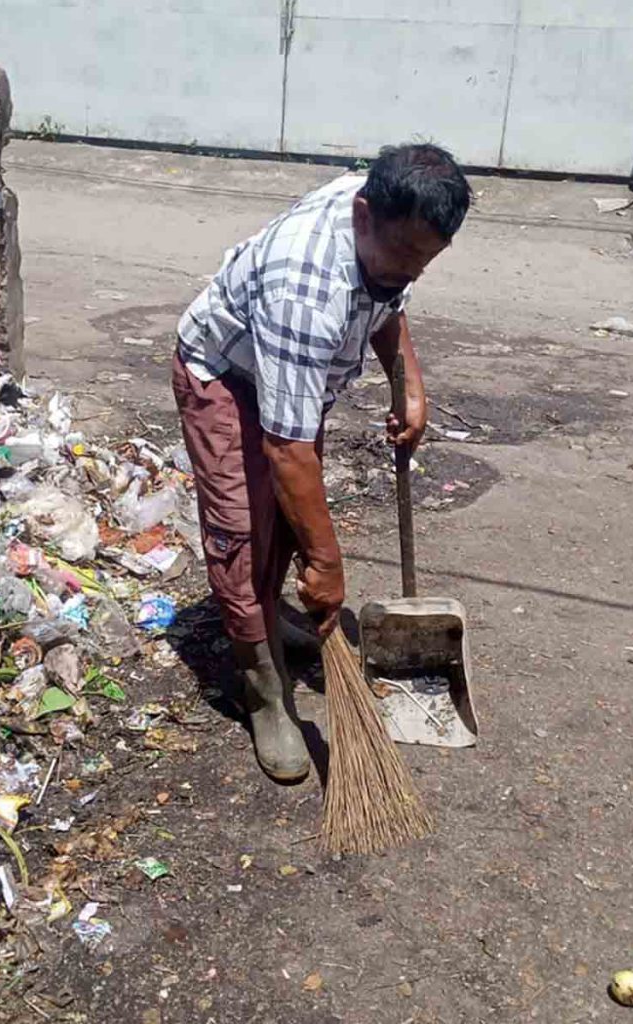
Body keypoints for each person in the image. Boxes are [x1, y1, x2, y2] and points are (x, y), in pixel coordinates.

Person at [172, 143, 472, 782]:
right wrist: (329, 567)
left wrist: (408, 383)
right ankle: (262, 687)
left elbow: (389, 296)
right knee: (243, 529)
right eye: (403, 255)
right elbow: (288, 449)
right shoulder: (304, 289)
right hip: (226, 374)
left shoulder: (388, 218)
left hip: (293, 376)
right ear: (363, 216)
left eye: (427, 260)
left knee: (286, 523)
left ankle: (272, 604)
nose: (411, 271)